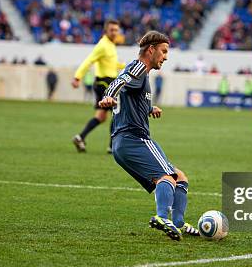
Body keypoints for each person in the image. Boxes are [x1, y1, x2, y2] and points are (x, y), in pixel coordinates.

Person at [98, 31, 199, 241]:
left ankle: (178, 223)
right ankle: (162, 217)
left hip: (125, 142)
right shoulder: (138, 67)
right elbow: (119, 82)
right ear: (151, 50)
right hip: (133, 138)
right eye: (163, 51)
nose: (166, 56)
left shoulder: (143, 75)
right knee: (167, 178)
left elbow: (130, 97)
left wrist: (149, 108)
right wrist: (108, 95)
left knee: (180, 177)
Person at [71, 19, 124, 153]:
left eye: (116, 30)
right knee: (118, 114)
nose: (114, 32)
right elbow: (89, 60)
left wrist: (126, 66)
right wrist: (77, 77)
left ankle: (80, 137)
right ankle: (113, 147)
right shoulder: (103, 45)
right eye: (112, 30)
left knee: (101, 116)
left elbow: (112, 63)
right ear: (106, 31)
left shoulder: (110, 45)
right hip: (106, 83)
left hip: (105, 83)